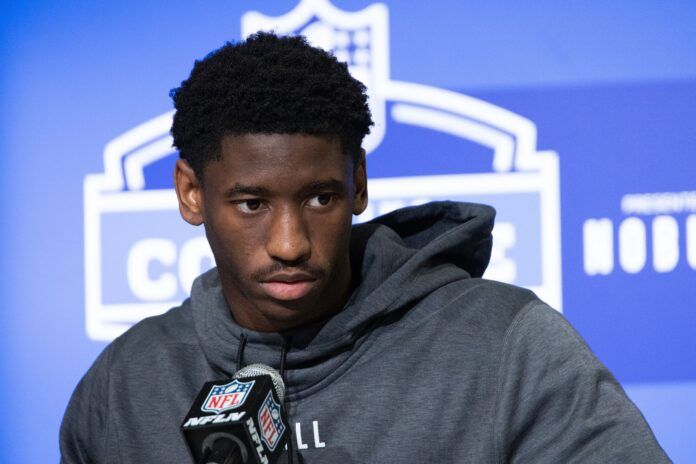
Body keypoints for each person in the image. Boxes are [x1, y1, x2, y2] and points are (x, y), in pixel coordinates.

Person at [60, 32, 670, 463]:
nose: (290, 243)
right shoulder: (125, 388)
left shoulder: (508, 346)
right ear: (192, 193)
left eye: (320, 198)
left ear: (358, 184)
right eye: (252, 204)